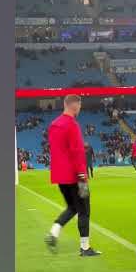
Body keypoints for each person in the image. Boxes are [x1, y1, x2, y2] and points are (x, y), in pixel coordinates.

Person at [44, 94, 101, 257]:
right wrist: (83, 175)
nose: (80, 109)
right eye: (80, 106)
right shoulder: (72, 125)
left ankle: (54, 232)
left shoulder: (54, 125)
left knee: (72, 207)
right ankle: (85, 248)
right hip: (77, 176)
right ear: (74, 105)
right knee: (84, 210)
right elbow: (77, 152)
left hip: (60, 176)